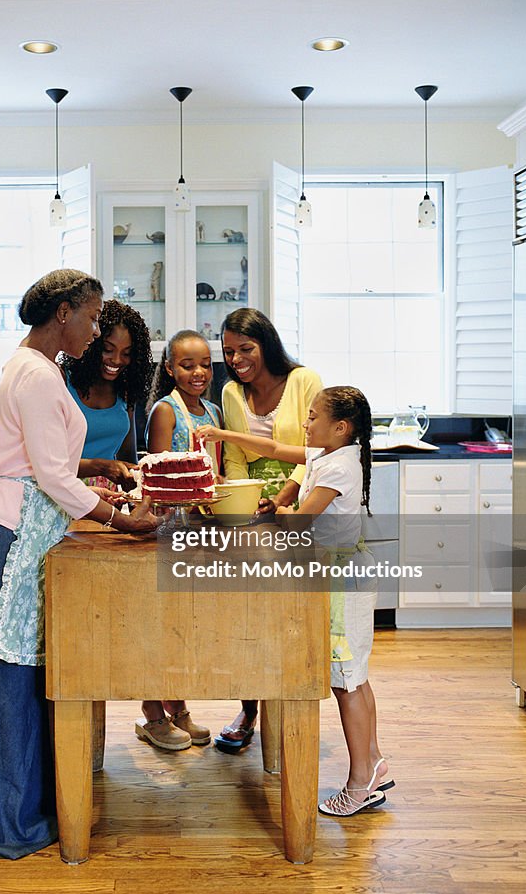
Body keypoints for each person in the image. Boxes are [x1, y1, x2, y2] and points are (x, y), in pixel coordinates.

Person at [0, 269, 158, 859]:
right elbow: (49, 475)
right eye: (94, 316)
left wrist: (100, 472)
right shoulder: (34, 372)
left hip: (9, 522)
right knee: (1, 670)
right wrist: (120, 519)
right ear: (64, 313)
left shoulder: (37, 368)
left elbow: (45, 458)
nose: (97, 328)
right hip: (2, 531)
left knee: (11, 667)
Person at [197, 385, 393, 817]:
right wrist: (224, 435)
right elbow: (270, 447)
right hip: (338, 575)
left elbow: (300, 523)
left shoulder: (338, 467)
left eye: (312, 416)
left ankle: (361, 779)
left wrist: (276, 513)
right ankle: (372, 763)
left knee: (346, 681)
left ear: (339, 427)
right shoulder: (331, 455)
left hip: (342, 582)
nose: (305, 423)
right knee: (353, 677)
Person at [215, 307, 322, 751]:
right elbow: (237, 458)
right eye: (229, 352)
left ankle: (290, 712)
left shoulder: (304, 381)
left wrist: (283, 500)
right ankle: (251, 708)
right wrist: (241, 507)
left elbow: (317, 450)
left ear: (267, 344)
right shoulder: (230, 393)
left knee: (291, 618)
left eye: (246, 349)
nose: (237, 360)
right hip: (254, 504)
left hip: (304, 502)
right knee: (246, 614)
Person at [134, 329, 222, 751]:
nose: (198, 372)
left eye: (205, 363)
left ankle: (178, 705)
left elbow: (216, 471)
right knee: (158, 622)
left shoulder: (213, 412)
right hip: (170, 530)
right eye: (187, 365)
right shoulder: (165, 412)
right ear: (169, 368)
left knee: (185, 626)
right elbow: (158, 476)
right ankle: (152, 712)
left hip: (203, 529)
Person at [60, 299, 154, 489]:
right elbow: (46, 465)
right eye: (108, 349)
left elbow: (127, 457)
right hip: (64, 495)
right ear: (91, 344)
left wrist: (137, 504)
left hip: (108, 501)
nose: (117, 360)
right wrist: (101, 467)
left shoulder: (125, 391)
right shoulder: (60, 380)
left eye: (127, 353)